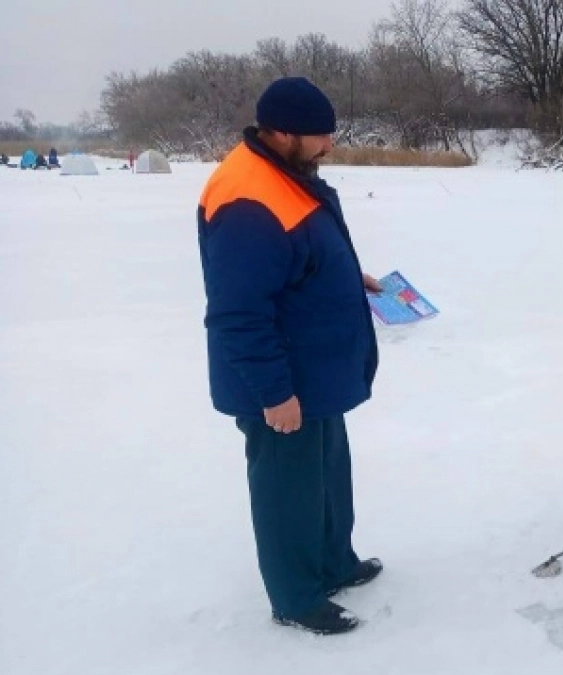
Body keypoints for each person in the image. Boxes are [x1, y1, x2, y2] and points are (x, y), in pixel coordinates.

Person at [196, 76, 383, 635]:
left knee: (327, 475)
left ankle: (332, 562)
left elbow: (298, 259)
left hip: (317, 371)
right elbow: (238, 313)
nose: (329, 146)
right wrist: (273, 394)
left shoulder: (284, 171)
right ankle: (297, 598)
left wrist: (351, 279)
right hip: (282, 381)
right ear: (280, 133)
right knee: (287, 490)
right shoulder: (246, 201)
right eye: (319, 136)